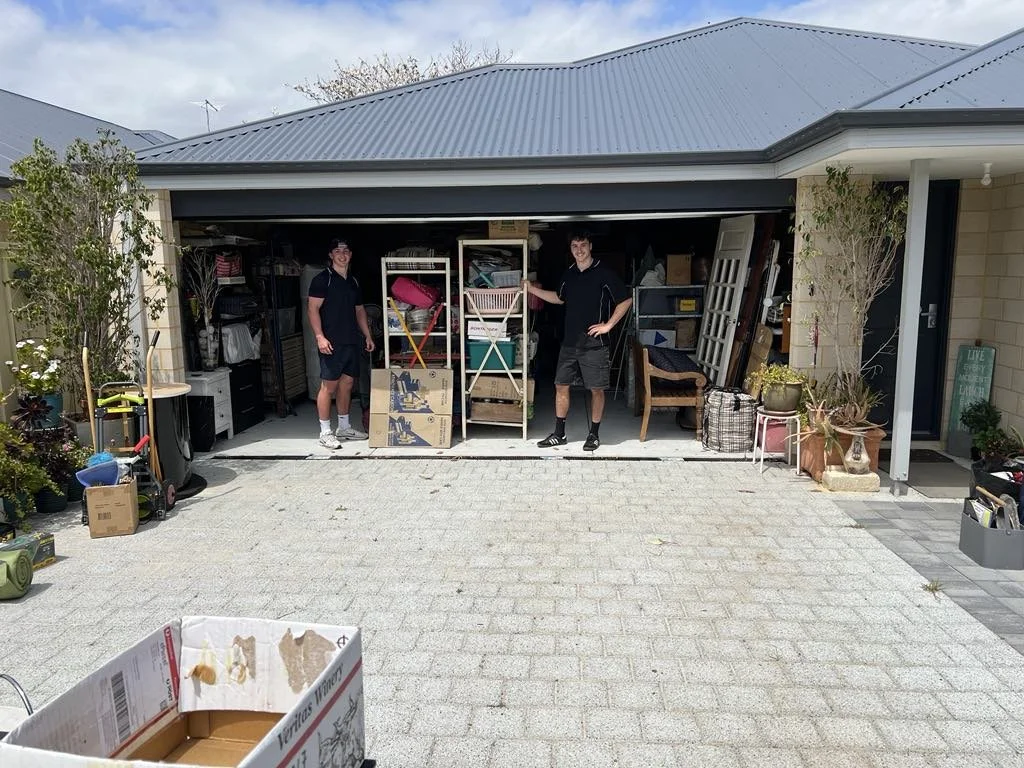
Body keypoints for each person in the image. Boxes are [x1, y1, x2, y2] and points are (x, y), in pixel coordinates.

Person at [526, 230, 632, 451]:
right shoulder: (569, 274)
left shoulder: (604, 273)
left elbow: (625, 300)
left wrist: (609, 325)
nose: (579, 250)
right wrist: (531, 290)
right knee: (560, 385)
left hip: (595, 344)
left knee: (596, 389)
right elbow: (558, 297)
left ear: (590, 246)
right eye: (574, 246)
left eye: (583, 245)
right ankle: (559, 434)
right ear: (571, 249)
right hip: (570, 343)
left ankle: (593, 434)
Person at [307, 238, 375, 449]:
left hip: (351, 341)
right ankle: (325, 432)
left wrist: (367, 335)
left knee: (347, 384)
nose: (342, 254)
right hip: (331, 342)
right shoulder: (322, 280)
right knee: (329, 386)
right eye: (337, 251)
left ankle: (344, 427)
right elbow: (312, 309)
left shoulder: (353, 282)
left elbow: (360, 310)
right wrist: (319, 337)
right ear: (331, 255)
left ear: (351, 255)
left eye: (346, 251)